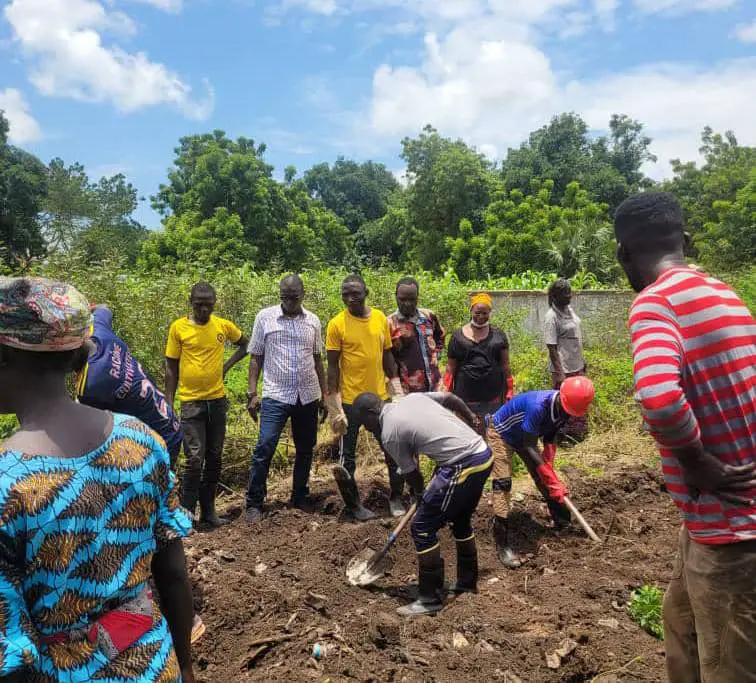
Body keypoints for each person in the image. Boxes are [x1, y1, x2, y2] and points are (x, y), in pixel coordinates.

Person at [0, 277, 195, 682]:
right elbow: (173, 573)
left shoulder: (7, 482)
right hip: (158, 662)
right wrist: (187, 667)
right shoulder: (141, 439)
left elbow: (11, 654)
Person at [614, 192, 756, 683]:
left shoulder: (655, 303)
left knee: (727, 666)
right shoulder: (724, 294)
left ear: (623, 255)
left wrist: (694, 460)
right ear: (686, 241)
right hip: (712, 520)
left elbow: (658, 397)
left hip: (732, 531)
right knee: (680, 622)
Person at [352, 391, 492, 617]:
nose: (366, 429)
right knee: (461, 519)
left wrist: (419, 494)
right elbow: (450, 398)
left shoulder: (389, 433)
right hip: (482, 453)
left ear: (371, 413)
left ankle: (430, 598)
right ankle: (467, 582)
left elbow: (412, 472)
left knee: (422, 527)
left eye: (363, 423)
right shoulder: (411, 399)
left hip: (461, 465)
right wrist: (473, 421)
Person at [244, 275, 327, 523]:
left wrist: (324, 396)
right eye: (285, 297)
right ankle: (254, 503)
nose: (290, 302)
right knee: (265, 445)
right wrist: (252, 393)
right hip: (276, 394)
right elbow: (256, 356)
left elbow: (317, 359)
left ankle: (299, 496)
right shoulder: (265, 318)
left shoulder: (313, 321)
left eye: (294, 297)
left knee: (305, 449)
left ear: (303, 294)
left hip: (308, 395)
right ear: (280, 295)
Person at [165, 282, 248, 527]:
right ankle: (186, 516)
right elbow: (171, 367)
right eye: (199, 304)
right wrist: (169, 401)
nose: (203, 309)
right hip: (190, 402)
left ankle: (209, 513)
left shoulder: (223, 326)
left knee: (214, 457)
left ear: (215, 303)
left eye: (208, 305)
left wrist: (226, 367)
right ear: (190, 301)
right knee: (193, 459)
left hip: (217, 401)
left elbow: (245, 345)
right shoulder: (179, 328)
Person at [488, 378, 596, 567]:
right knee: (503, 484)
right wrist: (548, 474)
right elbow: (529, 445)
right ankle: (503, 545)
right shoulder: (538, 405)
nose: (568, 413)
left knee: (546, 478)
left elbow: (551, 434)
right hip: (502, 433)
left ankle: (562, 522)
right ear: (562, 397)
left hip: (525, 436)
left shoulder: (565, 408)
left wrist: (549, 466)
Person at [324, 274, 405, 520]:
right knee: (346, 455)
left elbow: (387, 356)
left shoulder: (380, 318)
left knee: (392, 448)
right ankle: (353, 506)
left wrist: (396, 389)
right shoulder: (336, 324)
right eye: (345, 294)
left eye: (355, 294)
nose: (350, 299)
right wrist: (334, 406)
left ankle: (397, 497)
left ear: (366, 292)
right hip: (349, 402)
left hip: (379, 399)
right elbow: (333, 366)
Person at [74, 305, 183, 468]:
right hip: (168, 422)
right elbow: (104, 308)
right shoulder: (98, 331)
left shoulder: (92, 382)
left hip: (158, 444)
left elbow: (88, 438)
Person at [442, 292, 513, 417]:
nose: (481, 316)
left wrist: (510, 389)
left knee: (491, 431)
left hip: (493, 397)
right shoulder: (457, 336)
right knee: (466, 430)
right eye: (477, 313)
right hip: (465, 396)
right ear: (471, 311)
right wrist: (446, 388)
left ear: (490, 313)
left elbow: (505, 364)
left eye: (485, 313)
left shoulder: (498, 335)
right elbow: (451, 366)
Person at [544, 278, 588, 440]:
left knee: (580, 397)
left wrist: (582, 361)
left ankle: (577, 433)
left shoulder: (569, 309)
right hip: (563, 368)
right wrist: (561, 373)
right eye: (565, 293)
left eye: (570, 292)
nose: (570, 295)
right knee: (563, 401)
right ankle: (562, 435)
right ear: (555, 297)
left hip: (576, 364)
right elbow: (551, 347)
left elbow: (576, 335)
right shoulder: (551, 316)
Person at [388, 277, 445, 394]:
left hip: (435, 384)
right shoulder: (389, 323)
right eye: (402, 299)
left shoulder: (429, 316)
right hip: (408, 389)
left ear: (417, 297)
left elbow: (440, 335)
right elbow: (387, 356)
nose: (407, 304)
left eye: (412, 299)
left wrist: (435, 356)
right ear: (396, 296)